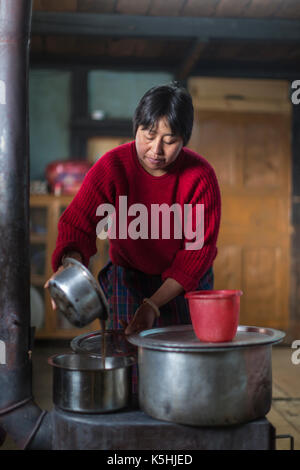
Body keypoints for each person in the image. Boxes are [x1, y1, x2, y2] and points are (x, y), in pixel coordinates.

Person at [46, 84, 221, 386]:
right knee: (127, 368)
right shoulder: (112, 166)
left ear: (184, 140)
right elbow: (78, 224)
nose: (156, 150)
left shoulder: (199, 177)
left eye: (170, 140)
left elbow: (197, 253)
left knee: (180, 368)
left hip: (182, 284)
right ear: (136, 128)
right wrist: (68, 267)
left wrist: (153, 305)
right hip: (129, 279)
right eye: (148, 135)